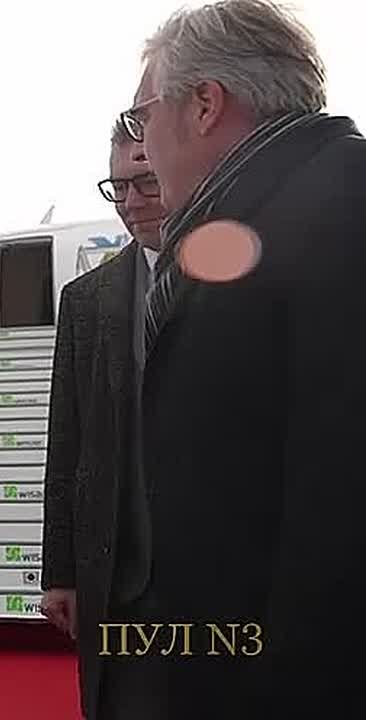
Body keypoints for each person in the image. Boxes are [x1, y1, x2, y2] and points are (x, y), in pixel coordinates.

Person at [119, 0, 366, 715]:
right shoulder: (267, 209)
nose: (142, 149)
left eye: (141, 118)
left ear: (204, 105)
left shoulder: (341, 209)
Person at [40, 119, 167, 720]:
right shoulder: (85, 300)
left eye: (146, 181)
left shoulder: (250, 266)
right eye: (118, 187)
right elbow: (67, 442)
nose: (131, 202)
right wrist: (60, 572)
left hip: (226, 578)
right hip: (115, 573)